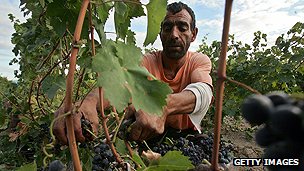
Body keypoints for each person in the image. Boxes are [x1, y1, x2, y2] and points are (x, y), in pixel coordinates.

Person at [53, 1, 213, 145]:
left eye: (182, 28)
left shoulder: (198, 61)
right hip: (148, 135)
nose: (174, 35)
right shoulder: (147, 62)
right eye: (167, 28)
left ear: (194, 34)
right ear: (160, 34)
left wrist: (163, 107)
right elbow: (121, 86)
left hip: (186, 137)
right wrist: (89, 101)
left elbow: (204, 91)